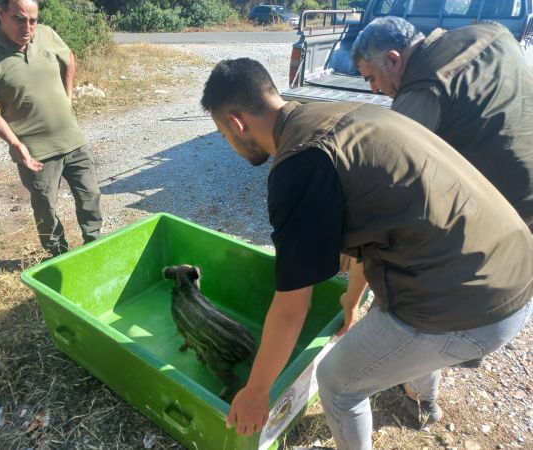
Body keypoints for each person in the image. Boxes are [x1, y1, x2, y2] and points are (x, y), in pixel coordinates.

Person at [200, 58, 533, 449]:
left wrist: (257, 391)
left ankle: (417, 389)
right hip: (511, 268)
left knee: (338, 383)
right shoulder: (341, 116)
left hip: (473, 306)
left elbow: (292, 307)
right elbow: (369, 223)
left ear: (236, 123)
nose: (228, 142)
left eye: (223, 133)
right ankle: (423, 398)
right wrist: (353, 299)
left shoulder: (300, 165)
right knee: (392, 314)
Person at [350, 16, 533, 370]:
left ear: (393, 59)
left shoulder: (421, 91)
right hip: (526, 183)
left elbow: (385, 189)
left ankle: (442, 349)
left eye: (371, 78)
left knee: (430, 278)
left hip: (505, 203)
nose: (373, 90)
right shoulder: (492, 32)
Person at [0, 0, 102, 257]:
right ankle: (58, 256)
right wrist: (15, 144)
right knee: (45, 207)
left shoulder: (47, 34)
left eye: (33, 20)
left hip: (72, 139)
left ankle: (94, 246)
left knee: (90, 197)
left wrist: (68, 97)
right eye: (19, 19)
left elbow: (69, 58)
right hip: (34, 151)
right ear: (0, 13)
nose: (27, 27)